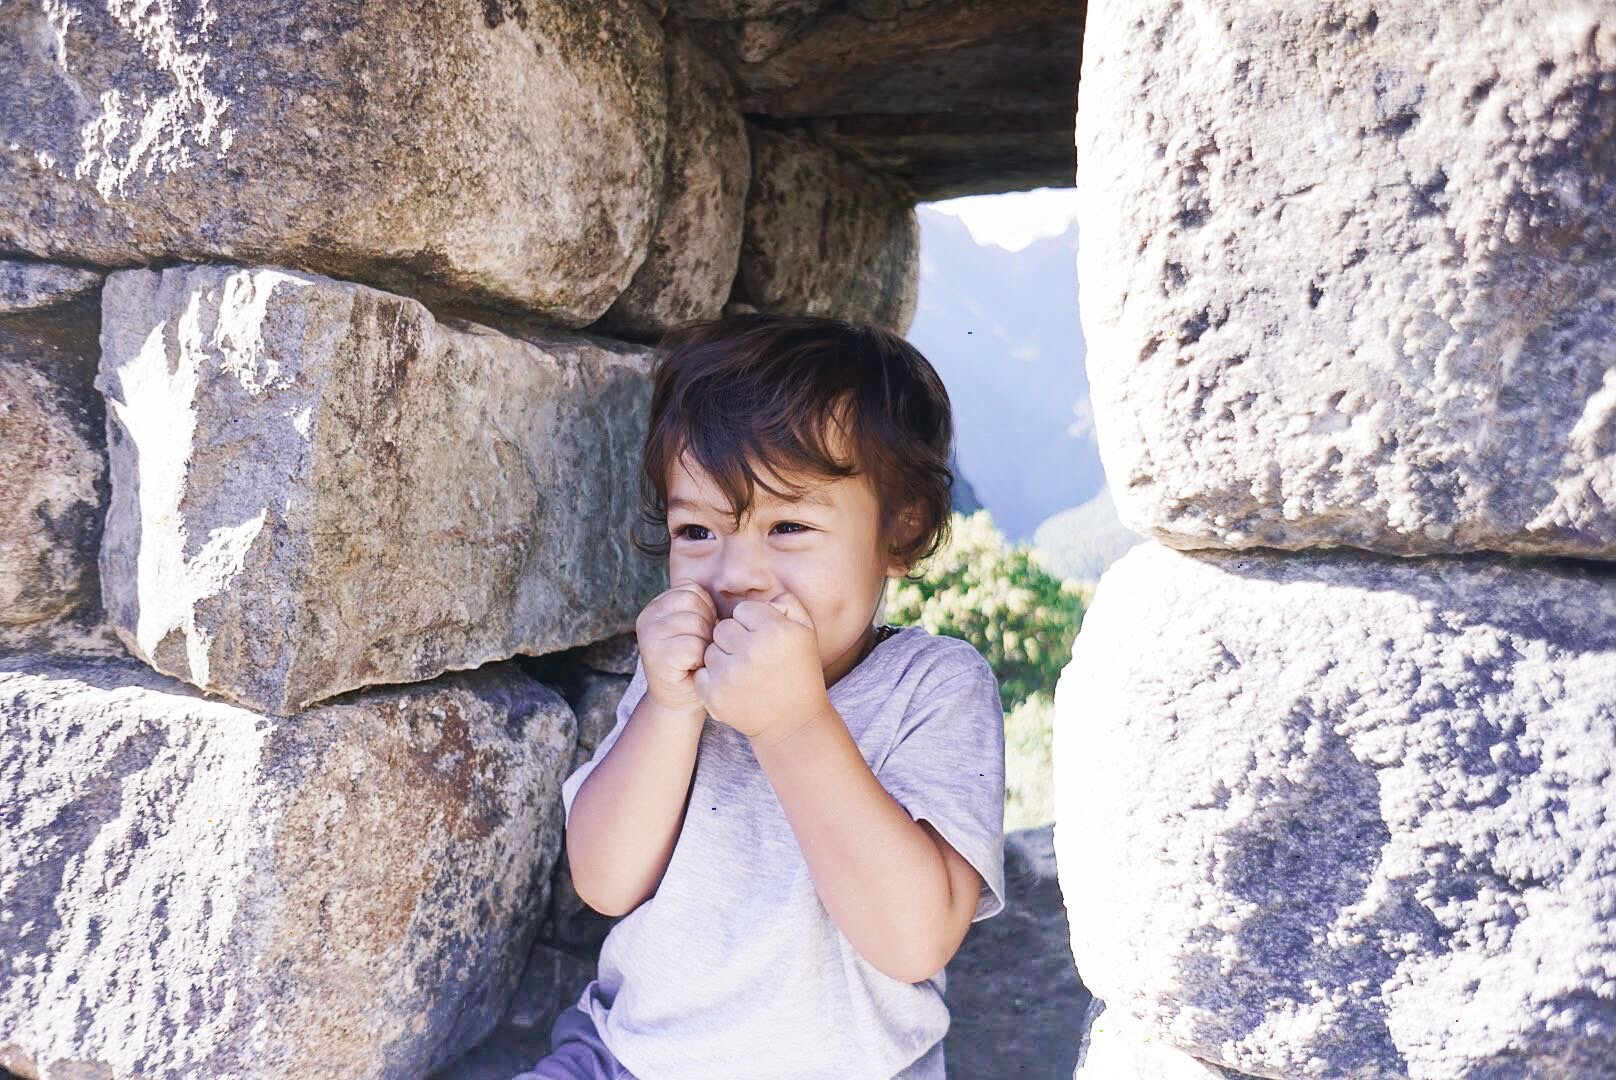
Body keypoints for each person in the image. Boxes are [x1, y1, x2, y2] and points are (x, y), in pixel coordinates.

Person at [514, 313, 1007, 1080]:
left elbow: (914, 941)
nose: (736, 572)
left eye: (787, 525)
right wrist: (670, 709)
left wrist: (795, 724)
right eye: (698, 532)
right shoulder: (676, 673)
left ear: (900, 530)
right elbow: (606, 884)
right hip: (629, 1058)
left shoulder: (934, 686)